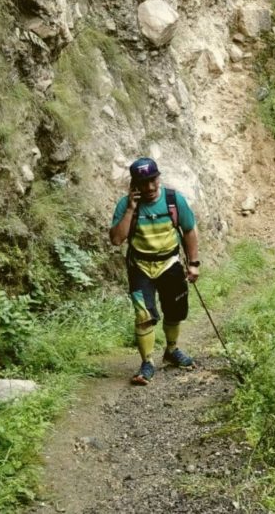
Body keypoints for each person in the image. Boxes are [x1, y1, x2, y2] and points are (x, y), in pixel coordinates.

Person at [109, 157, 200, 385]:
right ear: (134, 185)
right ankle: (147, 363)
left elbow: (188, 230)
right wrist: (130, 209)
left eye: (152, 180)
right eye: (143, 183)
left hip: (170, 263)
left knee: (175, 311)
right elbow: (117, 239)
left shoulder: (173, 200)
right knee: (143, 316)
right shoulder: (126, 205)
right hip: (140, 267)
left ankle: (171, 350)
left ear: (158, 178)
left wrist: (193, 263)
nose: (149, 187)